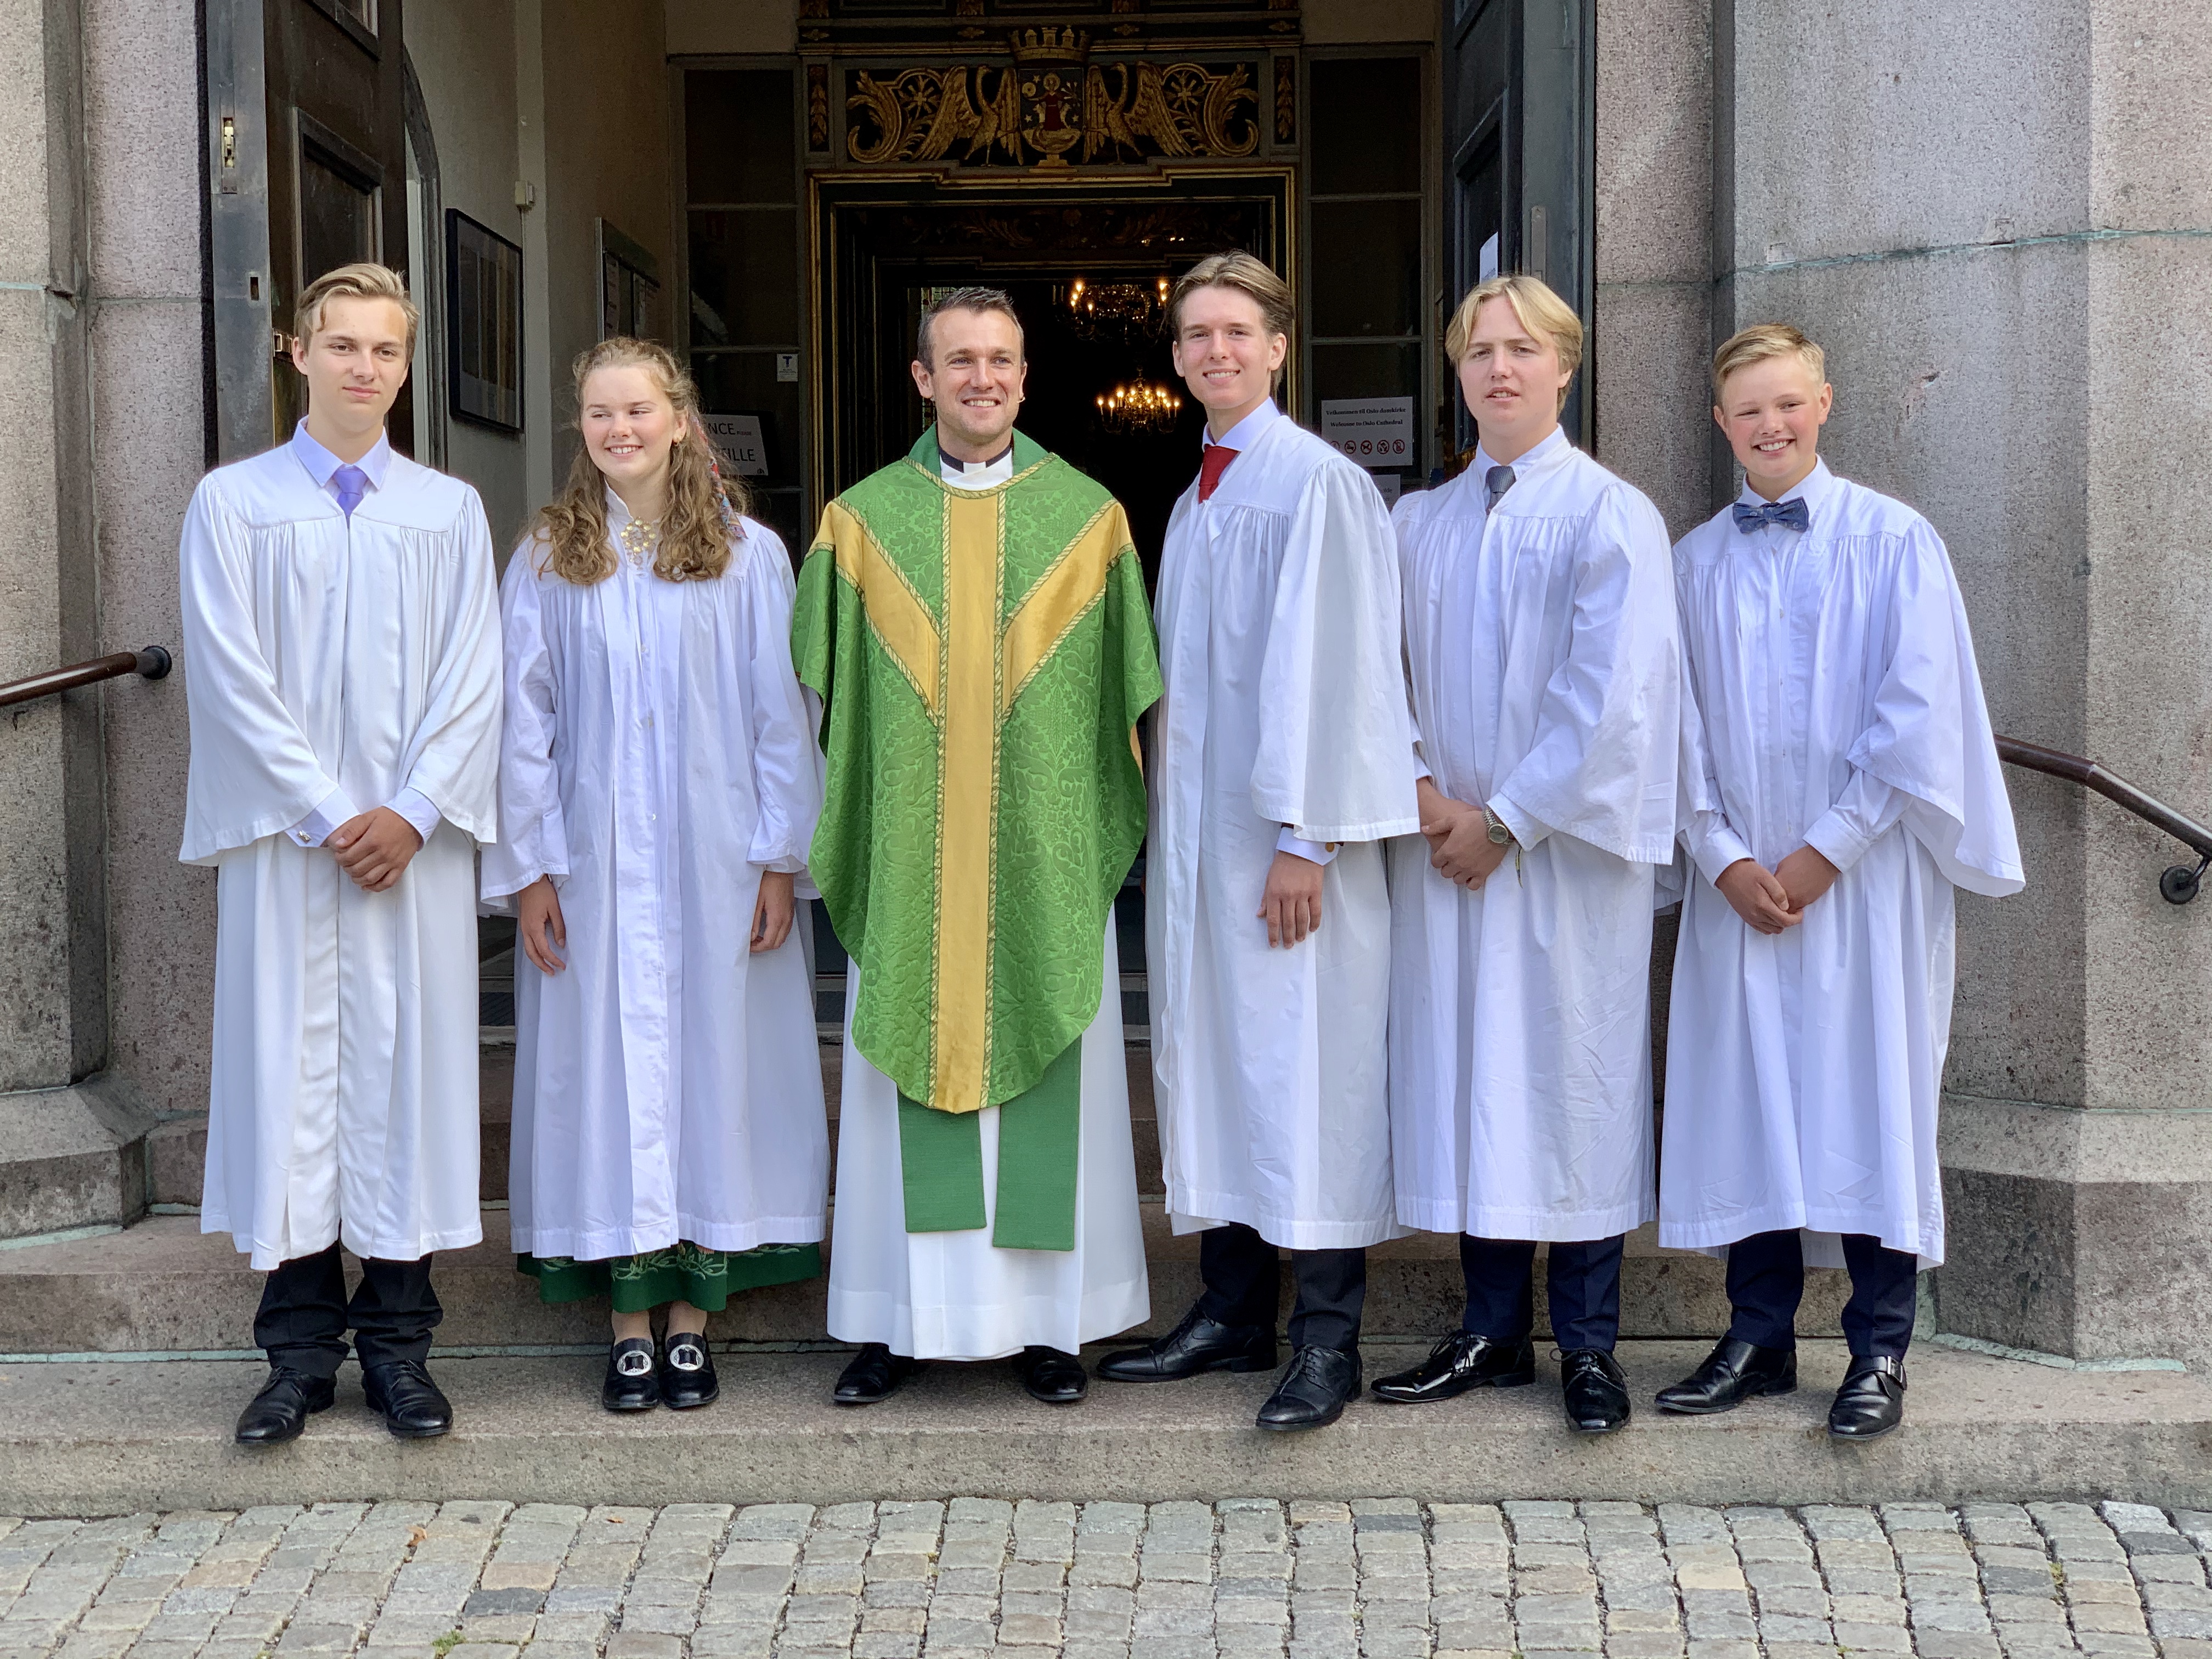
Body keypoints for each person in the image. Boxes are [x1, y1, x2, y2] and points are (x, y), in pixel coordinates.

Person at [794, 287, 1160, 1407]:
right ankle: (899, 1324)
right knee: (909, 1071)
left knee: (1054, 1081)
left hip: (1043, 865)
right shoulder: (857, 527)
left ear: (1025, 375)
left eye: (1000, 360)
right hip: (911, 865)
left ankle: (1053, 1328)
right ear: (922, 377)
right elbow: (816, 699)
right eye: (960, 361)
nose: (982, 379)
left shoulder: (1092, 519)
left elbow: (1129, 704)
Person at [1658, 323, 2022, 1440]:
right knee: (1749, 1098)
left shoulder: (1896, 543)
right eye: (1747, 411)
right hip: (1739, 883)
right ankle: (1759, 1335)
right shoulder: (1692, 562)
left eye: (1788, 403)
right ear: (1722, 426)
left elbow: (1917, 716)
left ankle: (1879, 1349)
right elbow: (1669, 728)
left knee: (1876, 1092)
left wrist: (1826, 851)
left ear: (1826, 403)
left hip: (1859, 883)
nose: (1770, 425)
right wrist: (1717, 853)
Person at [179, 262, 502, 1446]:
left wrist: (414, 809)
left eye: (386, 350)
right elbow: (227, 676)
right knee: (290, 1085)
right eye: (343, 344)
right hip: (293, 852)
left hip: (409, 860)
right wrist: (326, 812)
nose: (366, 367)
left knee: (403, 1086)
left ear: (405, 369)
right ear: (296, 351)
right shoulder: (235, 504)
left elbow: (476, 677)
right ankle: (297, 1357)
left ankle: (404, 1355)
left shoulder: (447, 511)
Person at [1097, 251, 1420, 1432]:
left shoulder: (1317, 484)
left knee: (1307, 1070)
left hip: (1286, 849)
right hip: (1204, 848)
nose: (1216, 351)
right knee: (1226, 1066)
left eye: (1238, 331)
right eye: (1196, 335)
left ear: (1281, 347)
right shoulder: (1197, 499)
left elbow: (1340, 673)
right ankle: (1233, 1311)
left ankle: (1324, 1337)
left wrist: (1308, 837)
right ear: (1177, 356)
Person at [483, 337, 828, 1414]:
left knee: (712, 1068)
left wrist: (781, 856)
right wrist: (533, 867)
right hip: (593, 868)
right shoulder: (549, 557)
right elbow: (520, 724)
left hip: (718, 865)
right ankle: (627, 1323)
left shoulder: (746, 554)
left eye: (638, 410)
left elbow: (784, 719)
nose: (619, 429)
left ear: (681, 418)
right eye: (598, 414)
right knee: (605, 1071)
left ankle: (694, 1319)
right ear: (579, 429)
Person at [1370, 274, 1681, 1436]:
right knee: (1476, 1083)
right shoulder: (1418, 525)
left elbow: (1616, 698)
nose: (1500, 368)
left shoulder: (1612, 516)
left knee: (1571, 1082)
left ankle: (1589, 1346)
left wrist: (1505, 819)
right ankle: (1491, 1332)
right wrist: (1418, 792)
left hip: (1559, 862)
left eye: (1523, 349)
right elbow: (1377, 675)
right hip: (1444, 850)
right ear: (1458, 371)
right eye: (1480, 350)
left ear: (1567, 366)